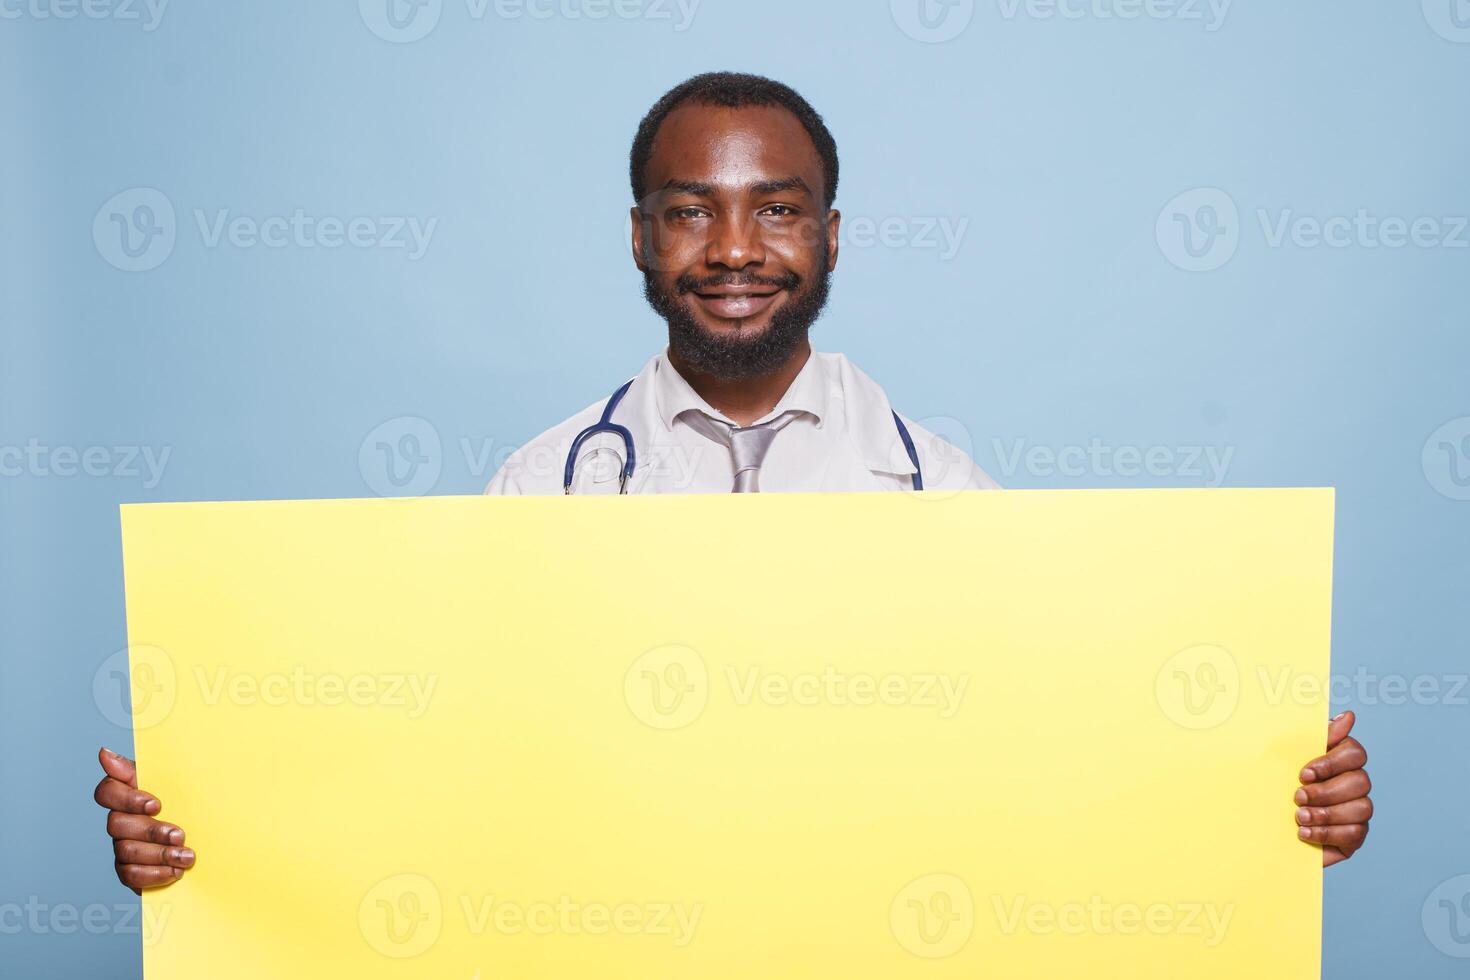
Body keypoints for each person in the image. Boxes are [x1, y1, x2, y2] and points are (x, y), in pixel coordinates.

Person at [94, 71, 1372, 893]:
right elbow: (426, 777)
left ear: (828, 235)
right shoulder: (541, 491)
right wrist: (208, 839)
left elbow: (1084, 784)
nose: (736, 248)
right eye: (690, 210)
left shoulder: (954, 499)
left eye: (777, 208)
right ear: (641, 237)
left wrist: (1279, 814)